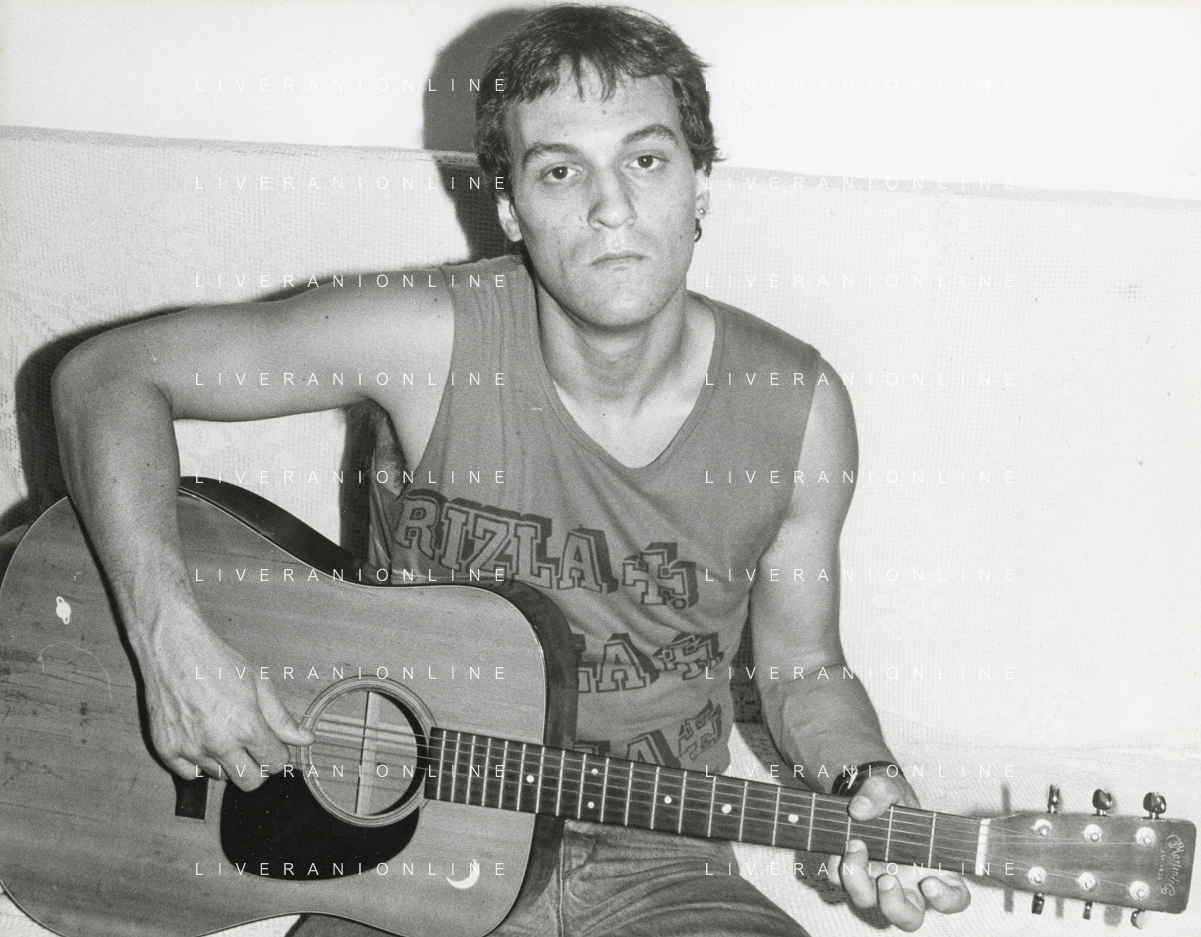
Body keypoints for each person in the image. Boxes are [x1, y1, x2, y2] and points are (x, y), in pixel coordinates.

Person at [51, 5, 970, 935]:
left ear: (700, 185)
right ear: (507, 206)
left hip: (659, 855)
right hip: (398, 836)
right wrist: (171, 643)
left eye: (646, 160)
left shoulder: (796, 411)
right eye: (560, 170)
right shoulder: (421, 342)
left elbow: (803, 667)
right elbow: (107, 378)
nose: (610, 207)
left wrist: (867, 779)